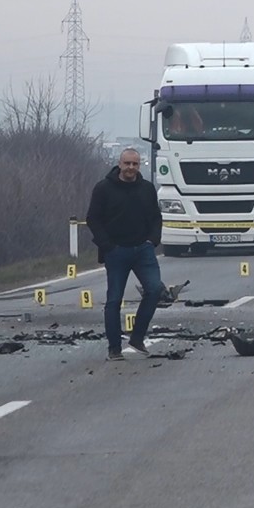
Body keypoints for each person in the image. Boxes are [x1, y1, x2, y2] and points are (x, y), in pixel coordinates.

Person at [86, 148, 165, 361]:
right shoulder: (103, 189)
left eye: (135, 164)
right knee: (114, 300)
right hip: (116, 252)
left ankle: (137, 337)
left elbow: (156, 218)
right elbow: (93, 218)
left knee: (155, 289)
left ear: (139, 166)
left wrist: (152, 241)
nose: (131, 168)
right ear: (119, 164)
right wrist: (107, 245)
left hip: (143, 250)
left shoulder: (147, 189)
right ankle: (114, 348)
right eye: (127, 163)